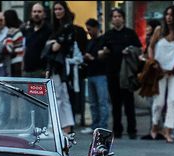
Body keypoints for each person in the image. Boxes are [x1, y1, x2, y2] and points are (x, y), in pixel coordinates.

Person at [147, 5, 174, 142]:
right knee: (158, 102)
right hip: (159, 71)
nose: (169, 17)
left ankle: (168, 130)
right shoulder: (159, 30)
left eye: (172, 15)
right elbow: (150, 47)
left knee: (172, 100)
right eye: (167, 14)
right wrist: (153, 62)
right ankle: (154, 126)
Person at [100, 8, 140, 139]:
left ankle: (132, 130)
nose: (116, 18)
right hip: (112, 72)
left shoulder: (130, 34)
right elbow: (100, 53)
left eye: (119, 16)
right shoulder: (108, 35)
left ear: (123, 18)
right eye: (114, 16)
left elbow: (139, 50)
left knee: (129, 103)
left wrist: (130, 51)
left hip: (126, 73)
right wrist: (104, 52)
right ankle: (117, 130)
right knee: (115, 104)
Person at [43, 1, 78, 134]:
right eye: (55, 9)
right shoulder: (58, 27)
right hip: (58, 65)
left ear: (65, 10)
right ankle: (66, 125)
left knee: (58, 96)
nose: (57, 11)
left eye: (60, 9)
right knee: (62, 96)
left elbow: (55, 47)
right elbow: (52, 46)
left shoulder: (67, 27)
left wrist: (51, 44)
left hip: (61, 65)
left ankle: (56, 126)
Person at [81, 18, 109, 132]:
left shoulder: (103, 40)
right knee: (93, 102)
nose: (89, 32)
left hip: (100, 73)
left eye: (90, 29)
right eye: (87, 29)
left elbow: (104, 56)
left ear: (96, 28)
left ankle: (102, 126)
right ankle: (95, 125)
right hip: (91, 73)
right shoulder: (89, 42)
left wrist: (92, 58)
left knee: (102, 102)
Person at [23, 3, 50, 78]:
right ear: (31, 14)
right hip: (26, 72)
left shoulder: (48, 30)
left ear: (44, 14)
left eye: (39, 11)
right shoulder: (28, 30)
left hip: (41, 71)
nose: (36, 14)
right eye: (34, 11)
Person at [2, 10, 25, 77]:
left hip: (15, 63)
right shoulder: (18, 30)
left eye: (4, 18)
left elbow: (9, 48)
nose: (3, 20)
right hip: (20, 61)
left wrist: (2, 49)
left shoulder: (11, 32)